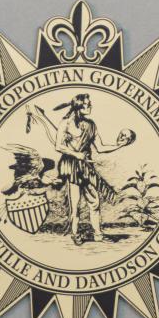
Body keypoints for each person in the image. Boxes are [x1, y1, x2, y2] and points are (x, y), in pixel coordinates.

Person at [26, 96, 135, 244]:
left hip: (85, 166)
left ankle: (98, 234)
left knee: (94, 202)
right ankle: (75, 233)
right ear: (79, 107)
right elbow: (58, 146)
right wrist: (77, 154)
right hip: (71, 165)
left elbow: (101, 147)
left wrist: (120, 145)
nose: (90, 106)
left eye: (90, 104)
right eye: (87, 105)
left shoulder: (91, 124)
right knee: (75, 203)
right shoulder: (65, 123)